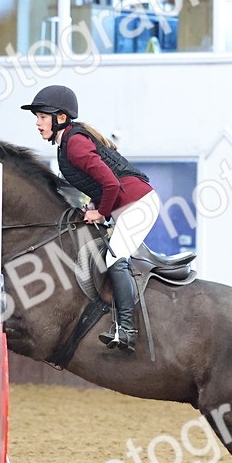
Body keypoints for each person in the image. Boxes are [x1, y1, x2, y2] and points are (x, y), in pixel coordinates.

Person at [21, 85, 161, 352]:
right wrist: (94, 208)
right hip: (126, 204)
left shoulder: (74, 144)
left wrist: (100, 212)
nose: (37, 123)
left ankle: (128, 330)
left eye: (41, 117)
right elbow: (98, 186)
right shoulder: (66, 143)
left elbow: (110, 184)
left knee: (114, 258)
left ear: (60, 118)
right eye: (36, 117)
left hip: (138, 205)